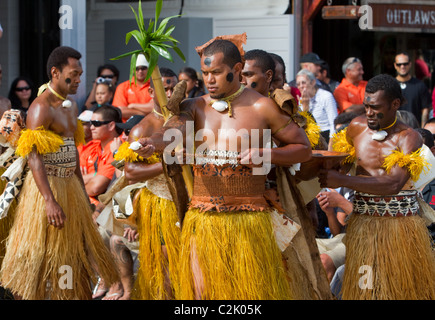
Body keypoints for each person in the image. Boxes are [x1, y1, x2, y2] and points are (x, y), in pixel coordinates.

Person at [134, 37, 312, 300]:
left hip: (248, 218)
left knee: (247, 294)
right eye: (205, 73)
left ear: (237, 70)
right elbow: (171, 131)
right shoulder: (195, 106)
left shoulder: (261, 106)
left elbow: (303, 149)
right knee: (200, 294)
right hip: (202, 218)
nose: (209, 80)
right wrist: (152, 142)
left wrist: (266, 154)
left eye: (216, 72)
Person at [0, 46, 119, 300]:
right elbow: (34, 156)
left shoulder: (71, 105)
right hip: (47, 188)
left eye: (80, 74)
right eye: (73, 74)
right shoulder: (40, 107)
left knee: (74, 252)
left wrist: (82, 193)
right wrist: (49, 200)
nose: (78, 80)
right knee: (39, 257)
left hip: (70, 187)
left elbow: (74, 152)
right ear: (55, 72)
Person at [320, 74, 435, 299]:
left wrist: (342, 181)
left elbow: (394, 183)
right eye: (366, 106)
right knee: (366, 287)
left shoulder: (408, 137)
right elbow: (343, 164)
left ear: (395, 104)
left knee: (398, 290)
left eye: (375, 107)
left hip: (399, 229)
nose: (369, 113)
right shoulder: (356, 127)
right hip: (364, 227)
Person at [111, 67, 181, 300]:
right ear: (151, 90)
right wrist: (170, 165)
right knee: (166, 262)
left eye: (173, 87)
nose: (169, 93)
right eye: (165, 88)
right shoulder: (143, 128)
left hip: (190, 202)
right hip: (160, 204)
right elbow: (130, 172)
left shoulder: (187, 118)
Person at [82, 105, 123, 207]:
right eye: (91, 123)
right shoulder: (95, 145)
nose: (91, 127)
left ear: (111, 126)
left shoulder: (115, 147)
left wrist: (79, 185)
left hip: (105, 208)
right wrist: (95, 175)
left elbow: (95, 187)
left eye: (96, 123)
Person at [296, 69, 338, 146]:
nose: (301, 86)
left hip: (326, 135)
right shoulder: (302, 100)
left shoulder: (326, 96)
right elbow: (303, 124)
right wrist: (305, 107)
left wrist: (331, 143)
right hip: (310, 137)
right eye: (298, 84)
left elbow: (334, 122)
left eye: (304, 83)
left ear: (313, 82)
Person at [112, 54, 154, 121]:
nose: (140, 71)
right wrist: (143, 114)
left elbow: (153, 107)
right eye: (137, 68)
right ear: (133, 70)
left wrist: (133, 105)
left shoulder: (154, 85)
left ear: (148, 69)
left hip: (150, 127)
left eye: (143, 68)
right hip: (127, 128)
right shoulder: (123, 87)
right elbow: (120, 111)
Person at [394, 52, 431, 128]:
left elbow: (425, 110)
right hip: (393, 131)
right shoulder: (390, 85)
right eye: (399, 64)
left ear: (410, 64)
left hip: (414, 130)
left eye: (405, 64)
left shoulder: (420, 85)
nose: (402, 66)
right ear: (395, 65)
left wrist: (422, 130)